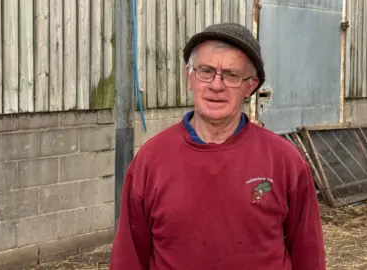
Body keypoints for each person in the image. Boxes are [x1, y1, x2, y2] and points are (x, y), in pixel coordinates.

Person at [110, 22, 326, 270]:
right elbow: (129, 256)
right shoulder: (151, 161)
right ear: (189, 76)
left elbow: (308, 254)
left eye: (232, 75)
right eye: (205, 71)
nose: (216, 85)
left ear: (251, 86)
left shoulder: (285, 160)